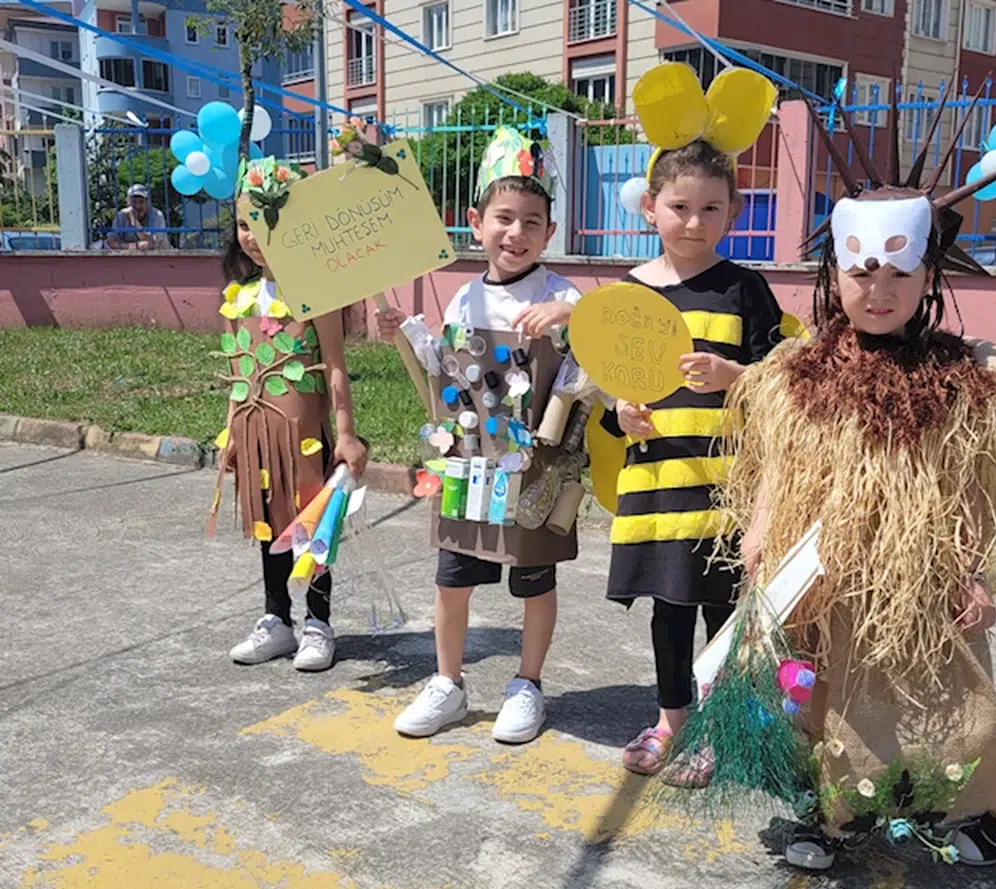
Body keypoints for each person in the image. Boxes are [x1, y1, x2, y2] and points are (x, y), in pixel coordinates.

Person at [666, 94, 996, 871]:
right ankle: (837, 816)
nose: (880, 291)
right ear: (834, 273)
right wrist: (761, 546)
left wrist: (971, 570)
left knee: (951, 710)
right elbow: (779, 463)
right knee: (819, 704)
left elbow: (974, 480)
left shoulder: (956, 375)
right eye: (862, 272)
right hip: (822, 584)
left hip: (920, 584)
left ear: (929, 274)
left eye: (900, 273)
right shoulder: (796, 372)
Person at [377, 137, 582, 746]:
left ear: (549, 232)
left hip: (537, 466)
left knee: (535, 578)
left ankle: (527, 684)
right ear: (476, 222)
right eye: (504, 219)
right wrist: (404, 332)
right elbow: (443, 368)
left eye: (531, 223)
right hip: (469, 463)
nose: (516, 233)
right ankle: (447, 682)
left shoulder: (561, 293)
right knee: (452, 576)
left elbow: (601, 338)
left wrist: (567, 317)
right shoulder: (465, 296)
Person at [603, 133, 783, 780]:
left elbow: (783, 381)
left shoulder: (745, 289)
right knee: (670, 606)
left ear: (733, 212)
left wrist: (734, 376)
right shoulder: (629, 295)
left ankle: (716, 726)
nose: (694, 222)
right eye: (680, 207)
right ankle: (671, 721)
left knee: (725, 610)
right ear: (650, 207)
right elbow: (610, 388)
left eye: (711, 209)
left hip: (728, 484)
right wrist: (620, 414)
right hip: (659, 481)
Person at [213, 157, 368, 672]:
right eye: (245, 224)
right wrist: (231, 432)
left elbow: (336, 368)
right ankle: (276, 619)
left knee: (311, 524)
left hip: (305, 435)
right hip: (256, 433)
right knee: (267, 522)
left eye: (266, 223)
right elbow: (240, 372)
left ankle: (318, 623)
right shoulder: (239, 299)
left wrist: (345, 434)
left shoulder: (316, 295)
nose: (254, 237)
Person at [106, 184, 170, 250]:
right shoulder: (122, 215)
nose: (138, 206)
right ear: (128, 203)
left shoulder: (157, 215)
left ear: (148, 202)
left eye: (142, 201)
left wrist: (136, 225)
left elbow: (153, 243)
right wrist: (136, 247)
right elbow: (110, 241)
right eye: (134, 202)